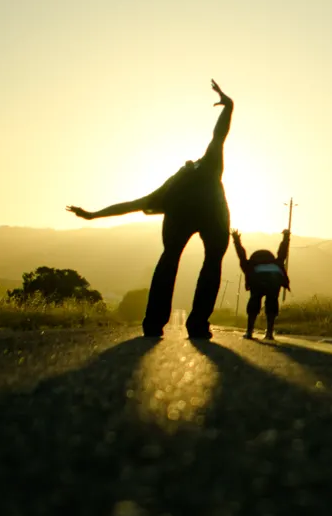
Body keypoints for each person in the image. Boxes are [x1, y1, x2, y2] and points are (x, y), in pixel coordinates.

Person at [66, 79, 233, 340]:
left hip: (183, 209)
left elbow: (129, 206)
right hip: (213, 212)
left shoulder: (171, 189)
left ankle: (154, 323)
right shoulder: (206, 167)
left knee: (170, 258)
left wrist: (93, 214)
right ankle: (197, 323)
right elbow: (219, 134)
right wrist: (229, 106)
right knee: (211, 261)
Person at [232, 228, 290, 340]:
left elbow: (241, 254)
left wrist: (236, 239)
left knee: (254, 301)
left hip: (257, 278)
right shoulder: (275, 262)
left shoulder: (249, 264)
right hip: (275, 277)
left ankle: (249, 332)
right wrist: (286, 237)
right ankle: (269, 333)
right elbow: (282, 252)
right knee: (272, 301)